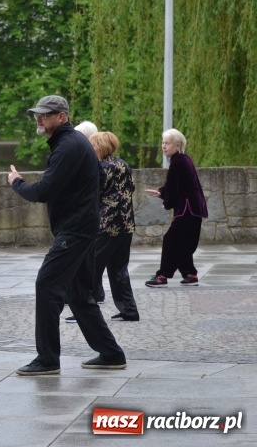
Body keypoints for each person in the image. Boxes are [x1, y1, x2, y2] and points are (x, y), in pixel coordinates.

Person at [7, 95, 126, 375]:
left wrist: (17, 182)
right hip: (82, 228)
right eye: (37, 114)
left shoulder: (67, 146)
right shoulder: (75, 143)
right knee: (80, 295)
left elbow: (42, 192)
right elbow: (97, 178)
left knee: (46, 285)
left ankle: (47, 359)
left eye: (45, 114)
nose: (39, 118)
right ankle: (111, 354)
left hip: (74, 231)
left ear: (62, 117)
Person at [66, 132, 139, 323]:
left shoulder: (99, 168)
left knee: (90, 269)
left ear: (100, 147)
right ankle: (129, 310)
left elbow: (90, 194)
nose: (90, 150)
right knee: (119, 268)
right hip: (126, 224)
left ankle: (83, 311)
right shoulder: (123, 164)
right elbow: (131, 188)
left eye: (93, 146)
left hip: (106, 226)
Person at [145, 128, 207, 287]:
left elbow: (173, 189)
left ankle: (162, 276)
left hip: (188, 208)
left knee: (171, 239)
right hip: (192, 208)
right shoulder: (181, 160)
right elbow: (173, 185)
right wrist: (160, 192)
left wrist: (165, 199)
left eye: (167, 143)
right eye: (163, 142)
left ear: (177, 145)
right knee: (183, 242)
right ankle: (190, 274)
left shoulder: (178, 162)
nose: (163, 146)